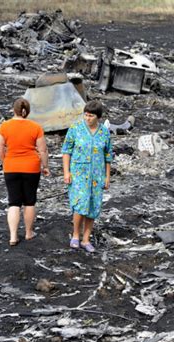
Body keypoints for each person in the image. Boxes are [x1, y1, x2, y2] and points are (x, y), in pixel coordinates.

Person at [0, 98, 50, 246]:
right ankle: (28, 232)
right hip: (31, 167)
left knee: (14, 202)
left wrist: (5, 161)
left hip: (11, 166)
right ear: (28, 111)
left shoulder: (4, 126)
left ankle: (13, 236)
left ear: (14, 110)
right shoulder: (35, 127)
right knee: (30, 201)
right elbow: (43, 150)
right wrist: (45, 166)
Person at [62, 100, 112, 252]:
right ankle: (76, 235)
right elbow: (66, 150)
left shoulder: (104, 132)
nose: (88, 118)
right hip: (79, 174)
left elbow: (108, 155)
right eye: (86, 115)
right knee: (80, 204)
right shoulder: (76, 128)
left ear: (98, 117)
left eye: (91, 116)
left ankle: (86, 239)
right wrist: (66, 172)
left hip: (97, 175)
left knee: (93, 206)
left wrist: (107, 177)